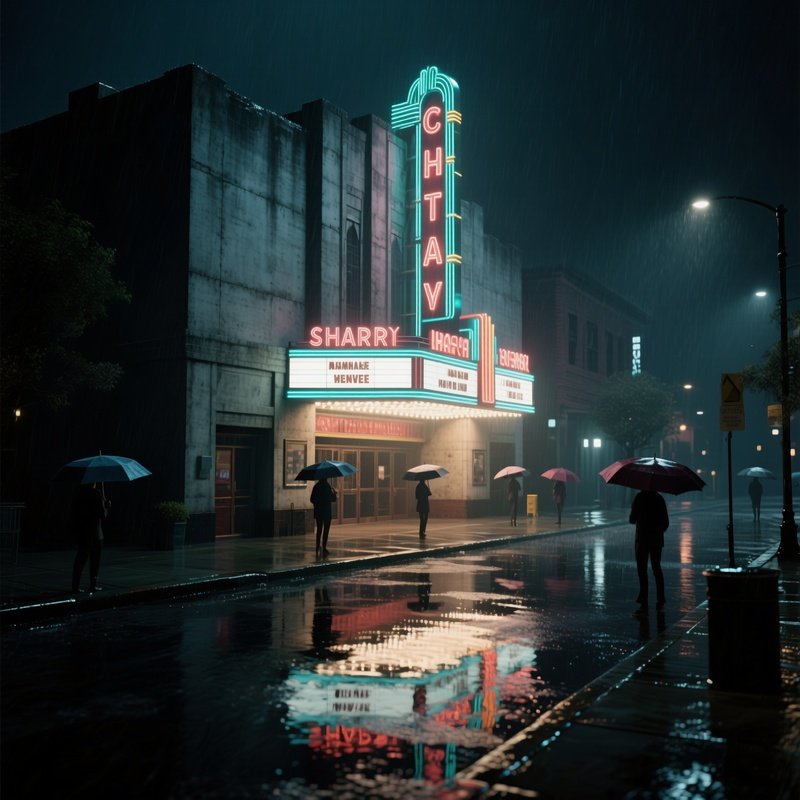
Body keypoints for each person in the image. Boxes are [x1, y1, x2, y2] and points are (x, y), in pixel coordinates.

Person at [629, 489, 669, 612]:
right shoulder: (659, 499)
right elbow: (666, 523)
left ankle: (643, 596)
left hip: (642, 539)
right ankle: (660, 597)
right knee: (656, 567)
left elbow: (632, 519)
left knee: (642, 569)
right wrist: (657, 530)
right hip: (656, 540)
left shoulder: (639, 497)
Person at [71, 483, 109, 593]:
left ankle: (75, 586)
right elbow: (103, 515)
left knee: (80, 560)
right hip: (96, 533)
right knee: (95, 561)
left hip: (83, 532)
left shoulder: (79, 494)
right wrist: (107, 507)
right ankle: (93, 584)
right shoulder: (97, 494)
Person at [310, 478, 337, 557]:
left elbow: (311, 499)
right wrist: (334, 493)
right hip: (327, 512)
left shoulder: (316, 487)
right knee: (326, 530)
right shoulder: (328, 487)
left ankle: (317, 546)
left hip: (318, 512)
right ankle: (324, 547)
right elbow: (333, 499)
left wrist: (317, 502)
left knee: (319, 529)